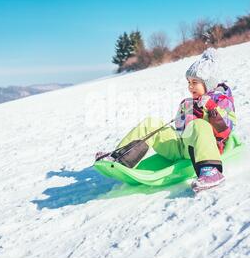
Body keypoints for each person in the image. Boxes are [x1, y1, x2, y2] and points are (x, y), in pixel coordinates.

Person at [95, 48, 237, 192]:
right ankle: (119, 157)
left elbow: (226, 130)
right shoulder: (188, 102)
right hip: (182, 146)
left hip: (206, 149)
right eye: (188, 82)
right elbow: (180, 128)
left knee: (199, 125)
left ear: (209, 83)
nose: (190, 86)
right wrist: (188, 114)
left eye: (195, 82)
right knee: (150, 123)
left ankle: (211, 172)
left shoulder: (221, 100)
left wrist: (211, 109)